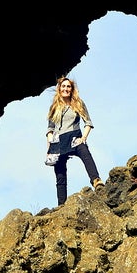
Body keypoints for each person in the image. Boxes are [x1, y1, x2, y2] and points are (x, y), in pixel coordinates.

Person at [45, 77, 104, 205]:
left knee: (85, 153)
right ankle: (62, 205)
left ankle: (96, 181)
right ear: (59, 89)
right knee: (60, 174)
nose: (66, 89)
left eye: (68, 87)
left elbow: (88, 122)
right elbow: (50, 129)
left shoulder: (78, 103)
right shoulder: (54, 107)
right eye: (63, 86)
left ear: (72, 89)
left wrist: (83, 138)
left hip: (74, 136)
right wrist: (50, 147)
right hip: (58, 141)